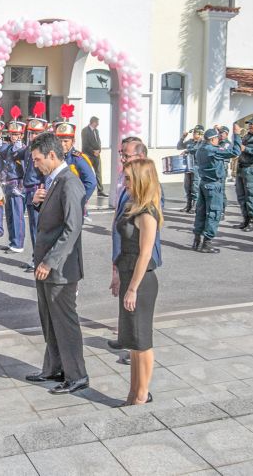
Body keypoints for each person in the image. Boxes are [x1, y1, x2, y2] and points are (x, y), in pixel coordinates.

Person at [24, 132, 89, 395]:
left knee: (65, 323)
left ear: (52, 155)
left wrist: (50, 261)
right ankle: (54, 368)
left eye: (38, 159)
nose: (35, 164)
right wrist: (38, 204)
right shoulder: (54, 181)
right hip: (46, 266)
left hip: (60, 269)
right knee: (49, 321)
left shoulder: (69, 183)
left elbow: (72, 228)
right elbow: (56, 221)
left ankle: (77, 375)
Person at [108, 137, 164, 356]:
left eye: (127, 155)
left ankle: (136, 350)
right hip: (125, 252)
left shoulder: (148, 194)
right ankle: (126, 339)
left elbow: (147, 241)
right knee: (126, 306)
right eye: (122, 154)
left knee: (138, 313)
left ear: (141, 157)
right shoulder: (126, 187)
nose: (122, 159)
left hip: (139, 254)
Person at [112, 158, 162, 406]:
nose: (125, 182)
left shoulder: (147, 213)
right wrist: (118, 276)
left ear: (142, 180)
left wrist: (132, 288)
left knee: (142, 342)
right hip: (128, 275)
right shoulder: (132, 205)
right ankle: (132, 392)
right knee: (132, 342)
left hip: (141, 283)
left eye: (129, 178)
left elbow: (145, 254)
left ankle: (142, 394)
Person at [193, 128, 240, 253]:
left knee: (201, 212)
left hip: (203, 184)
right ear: (212, 139)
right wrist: (237, 135)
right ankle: (207, 243)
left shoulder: (200, 150)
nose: (218, 140)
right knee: (214, 213)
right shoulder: (212, 150)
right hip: (213, 185)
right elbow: (235, 151)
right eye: (217, 138)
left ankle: (196, 239)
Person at [20, 117, 47, 272]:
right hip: (29, 190)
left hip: (37, 190)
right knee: (33, 226)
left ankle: (39, 259)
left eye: (36, 133)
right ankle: (35, 256)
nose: (32, 136)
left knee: (38, 227)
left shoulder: (42, 151)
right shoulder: (30, 148)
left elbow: (45, 173)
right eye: (31, 133)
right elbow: (15, 155)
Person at [55, 121, 97, 208]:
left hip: (72, 204)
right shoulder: (56, 157)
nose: (62, 144)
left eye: (66, 141)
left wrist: (80, 200)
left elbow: (91, 182)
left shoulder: (78, 159)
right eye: (60, 141)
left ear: (73, 141)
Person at [0, 119, 27, 253]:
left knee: (17, 216)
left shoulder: (24, 149)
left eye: (16, 134)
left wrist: (21, 188)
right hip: (8, 184)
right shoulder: (9, 147)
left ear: (21, 135)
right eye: (11, 134)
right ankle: (12, 241)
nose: (13, 137)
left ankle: (18, 244)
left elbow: (25, 170)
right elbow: (2, 156)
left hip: (17, 184)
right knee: (10, 215)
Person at [176, 125, 204, 213]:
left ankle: (195, 206)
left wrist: (187, 151)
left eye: (196, 132)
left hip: (197, 166)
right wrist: (182, 138)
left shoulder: (202, 142)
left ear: (200, 133)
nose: (194, 134)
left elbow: (196, 149)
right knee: (187, 186)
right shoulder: (190, 141)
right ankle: (188, 205)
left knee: (195, 187)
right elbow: (179, 147)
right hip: (188, 166)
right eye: (194, 132)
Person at [81, 116, 106, 197]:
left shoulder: (96, 131)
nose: (98, 124)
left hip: (97, 155)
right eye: (97, 122)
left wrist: (99, 150)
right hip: (88, 155)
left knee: (98, 172)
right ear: (93, 122)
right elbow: (85, 144)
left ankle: (100, 190)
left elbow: (99, 142)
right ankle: (84, 190)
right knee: (86, 172)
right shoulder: (85, 130)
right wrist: (93, 151)